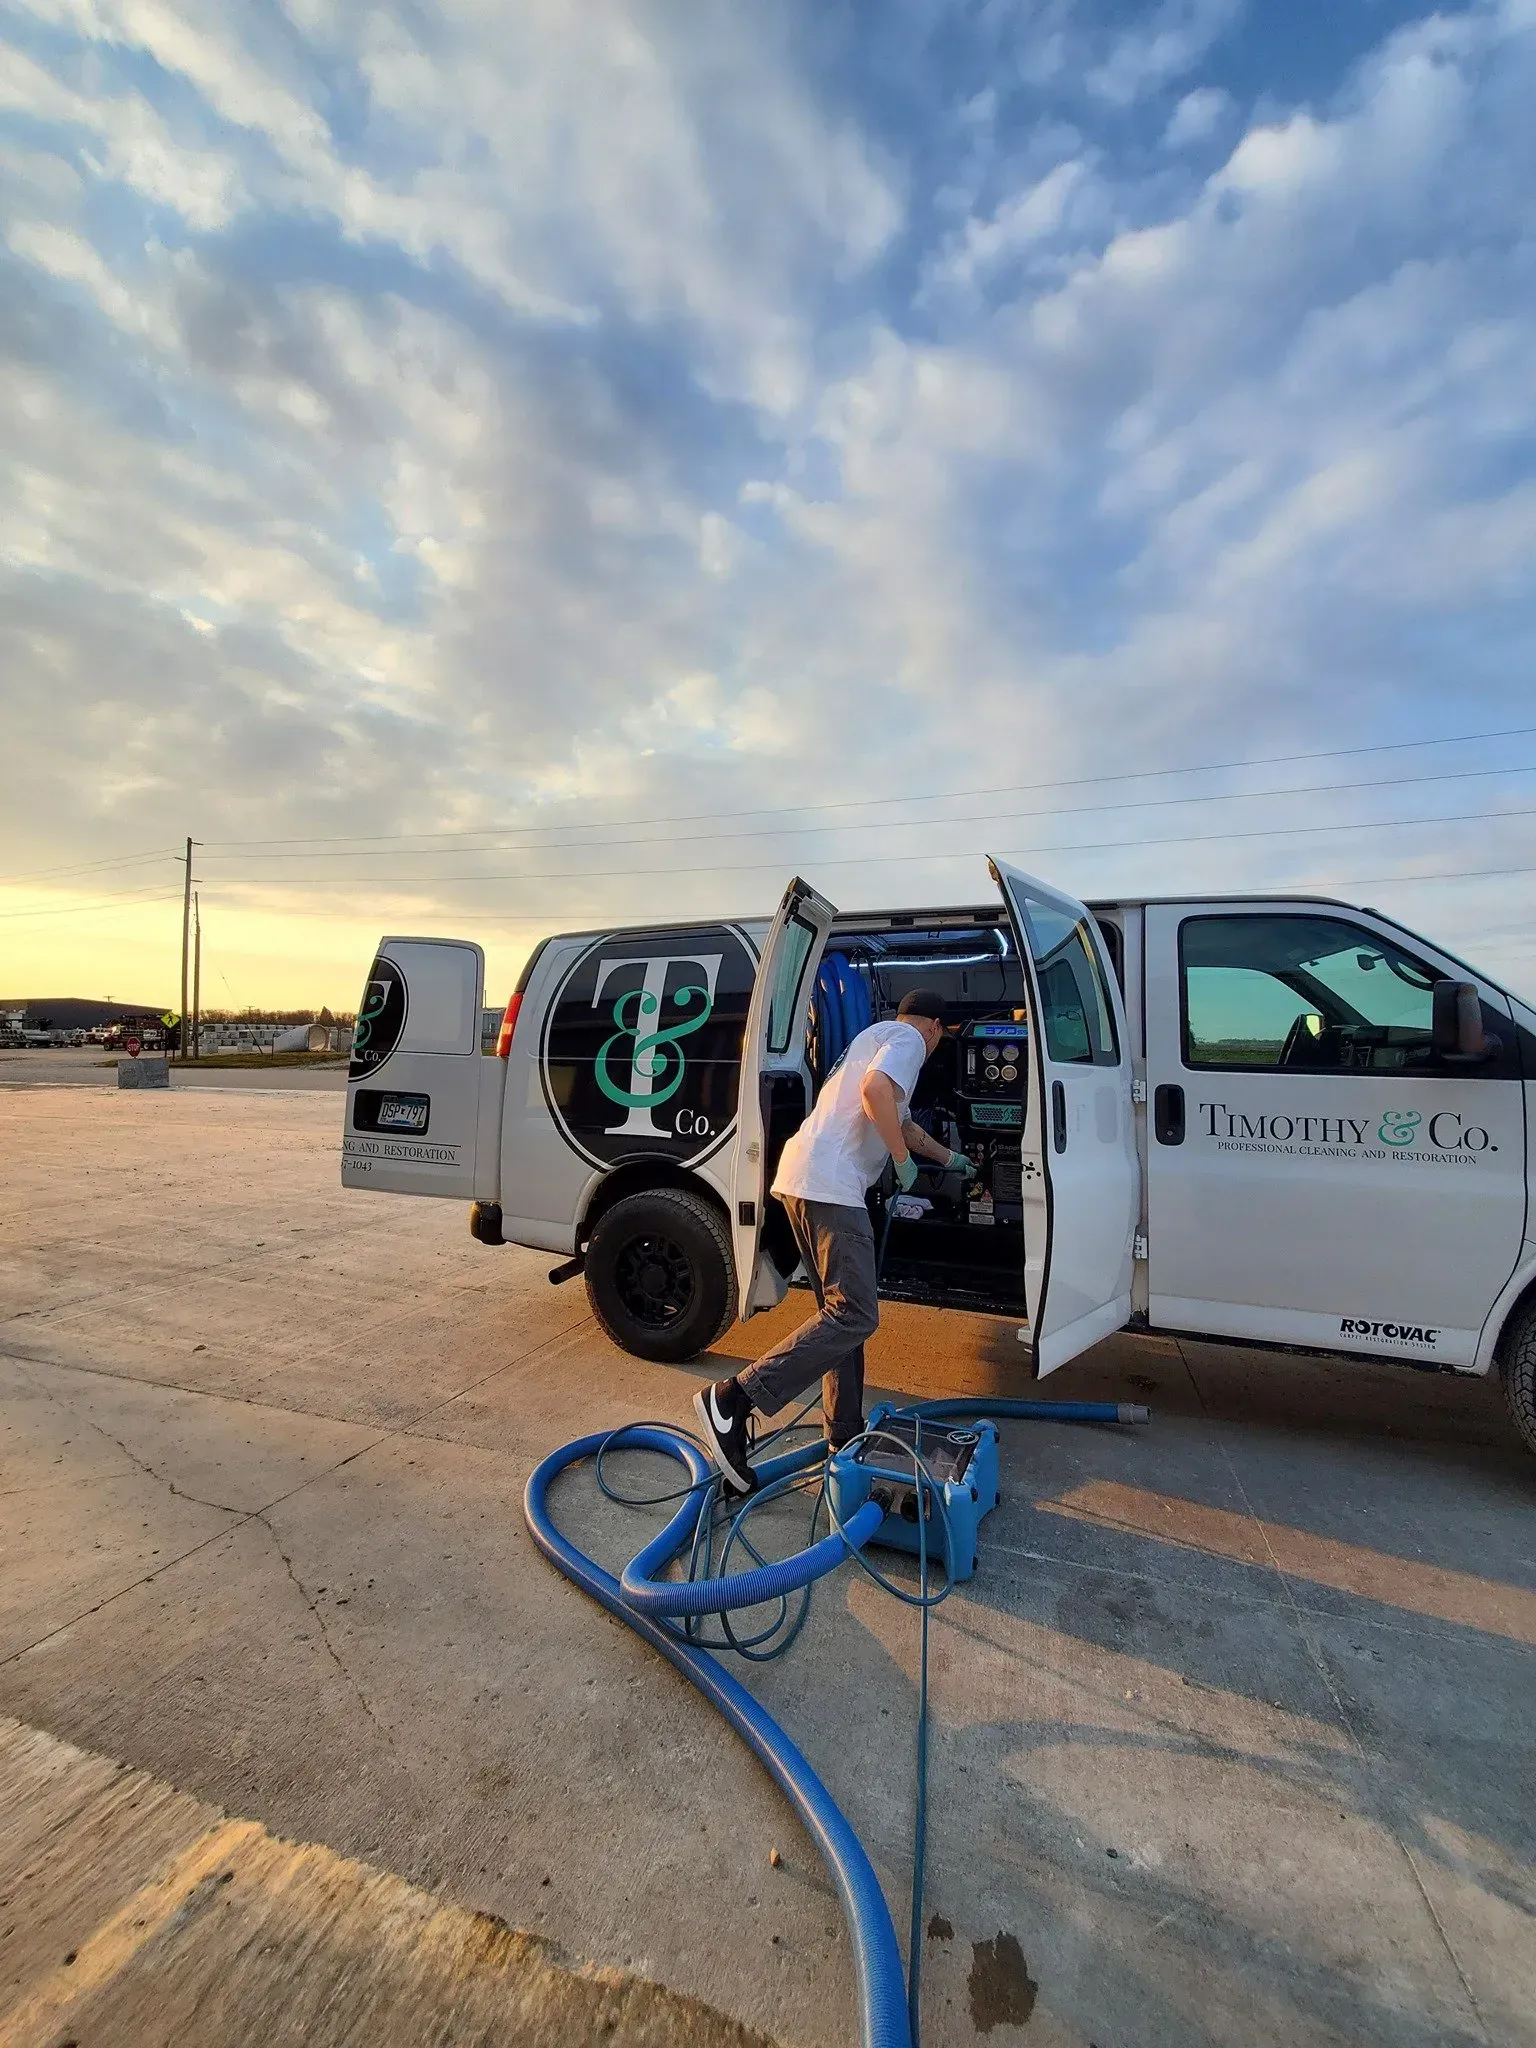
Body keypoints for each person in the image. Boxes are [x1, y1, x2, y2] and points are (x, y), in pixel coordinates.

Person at [693, 988, 975, 1492]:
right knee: (856, 1313)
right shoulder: (909, 1040)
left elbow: (901, 1120)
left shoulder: (876, 1035)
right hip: (833, 1187)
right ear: (934, 1026)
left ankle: (842, 1436)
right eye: (941, 1039)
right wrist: (901, 1159)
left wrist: (944, 1158)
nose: (936, 1047)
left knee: (839, 1317)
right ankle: (735, 1397)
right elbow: (875, 1094)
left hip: (803, 1178)